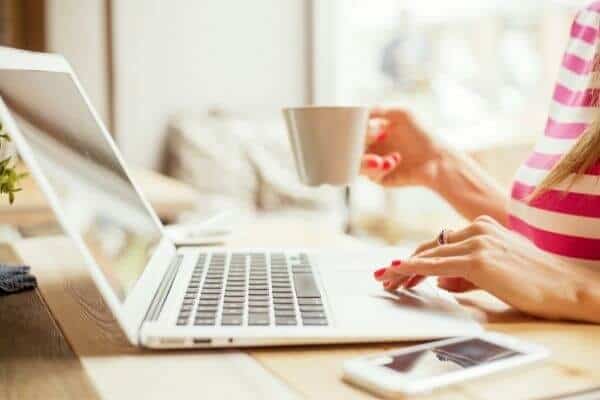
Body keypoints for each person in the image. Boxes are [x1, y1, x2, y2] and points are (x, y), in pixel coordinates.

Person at [363, 2, 600, 323]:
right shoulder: (590, 22)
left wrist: (577, 290)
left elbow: (568, 279)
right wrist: (440, 166)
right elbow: (571, 252)